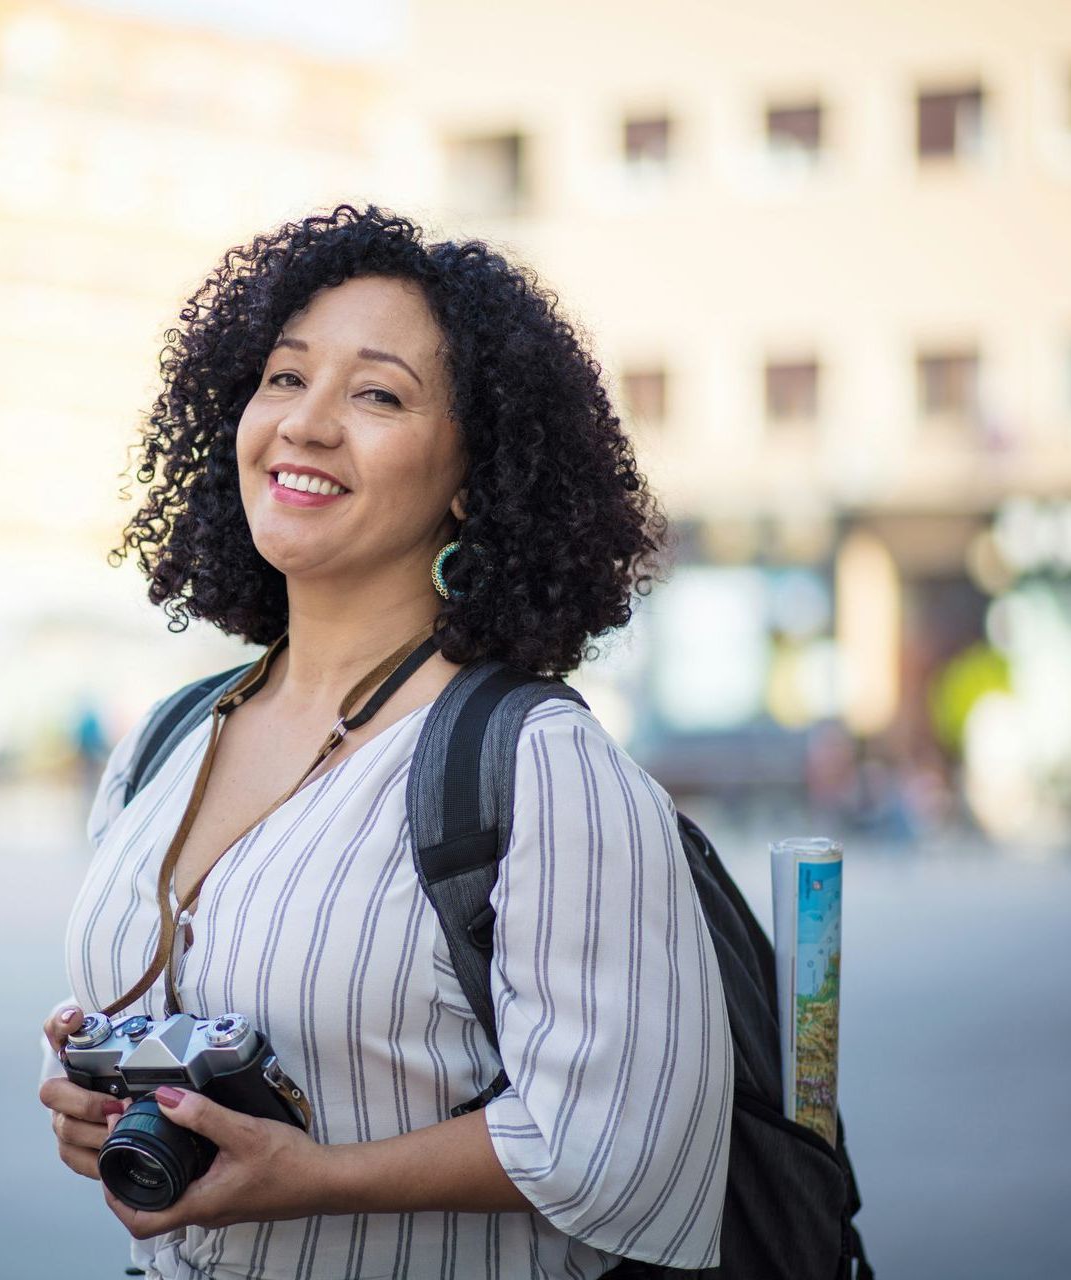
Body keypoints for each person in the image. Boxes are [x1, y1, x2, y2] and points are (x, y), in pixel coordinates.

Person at [39, 203, 733, 1278]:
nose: (307, 423)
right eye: (283, 377)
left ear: (472, 475)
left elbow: (622, 1141)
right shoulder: (166, 740)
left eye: (376, 393)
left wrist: (318, 1176)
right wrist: (108, 1104)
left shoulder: (538, 765)